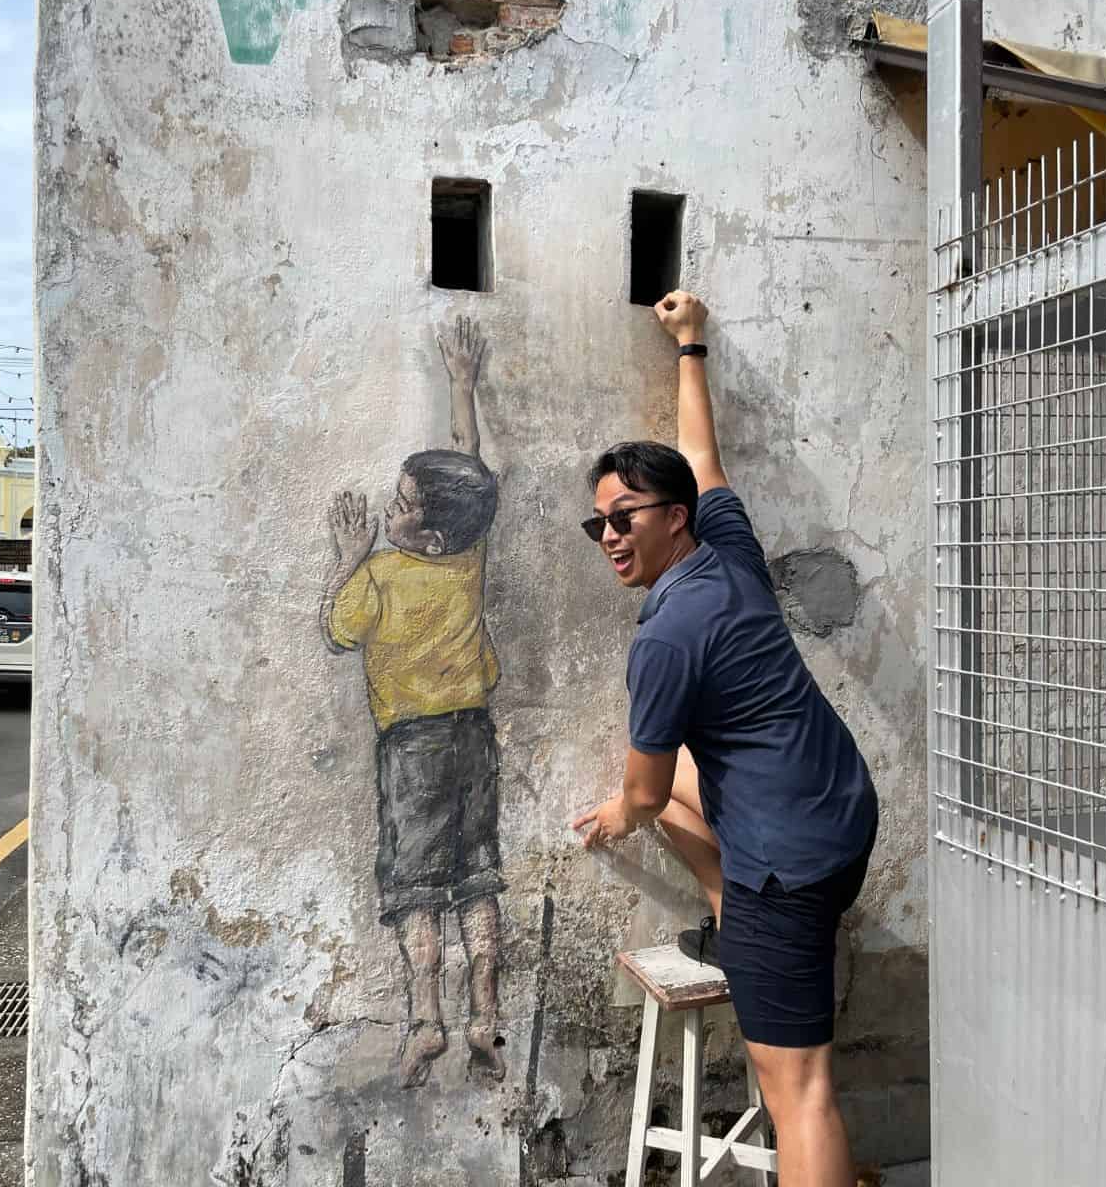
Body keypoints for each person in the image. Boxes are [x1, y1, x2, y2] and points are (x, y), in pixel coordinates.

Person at [572, 292, 878, 1187]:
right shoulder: (726, 550)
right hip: (838, 808)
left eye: (624, 516)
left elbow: (638, 794)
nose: (609, 537)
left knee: (799, 1090)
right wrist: (690, 344)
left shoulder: (666, 637)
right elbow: (701, 453)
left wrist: (613, 812)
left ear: (673, 519)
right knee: (677, 786)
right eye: (598, 522)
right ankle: (725, 912)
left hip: (789, 859)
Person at [320, 317, 506, 1089]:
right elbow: (469, 467)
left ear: (425, 536)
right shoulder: (467, 556)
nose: (390, 512)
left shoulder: (383, 575)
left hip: (413, 748)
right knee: (479, 873)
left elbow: (336, 632)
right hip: (476, 738)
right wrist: (461, 381)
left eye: (400, 506)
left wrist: (346, 559)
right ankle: (487, 1016)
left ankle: (428, 1020)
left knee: (417, 886)